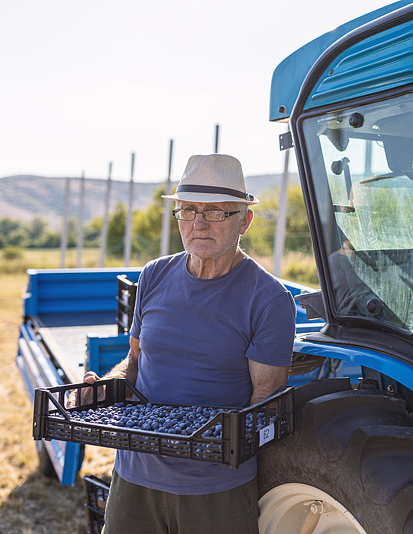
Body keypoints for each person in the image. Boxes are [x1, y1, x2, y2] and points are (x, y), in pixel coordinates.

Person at [75, 154, 296, 534]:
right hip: (134, 478)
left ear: (244, 219)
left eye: (215, 213)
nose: (198, 224)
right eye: (187, 210)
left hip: (215, 492)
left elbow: (265, 400)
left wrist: (209, 446)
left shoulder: (269, 299)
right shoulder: (154, 275)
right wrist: (104, 388)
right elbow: (135, 361)